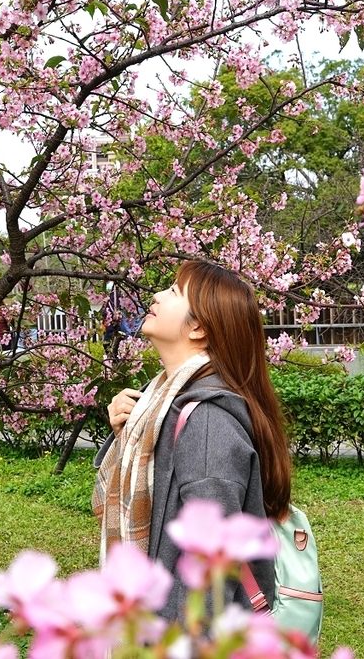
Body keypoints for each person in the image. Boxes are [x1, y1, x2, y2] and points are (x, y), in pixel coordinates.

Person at [92, 260, 291, 621]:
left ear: (198, 327)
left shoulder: (208, 422)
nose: (155, 295)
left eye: (172, 292)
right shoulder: (161, 402)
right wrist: (125, 434)